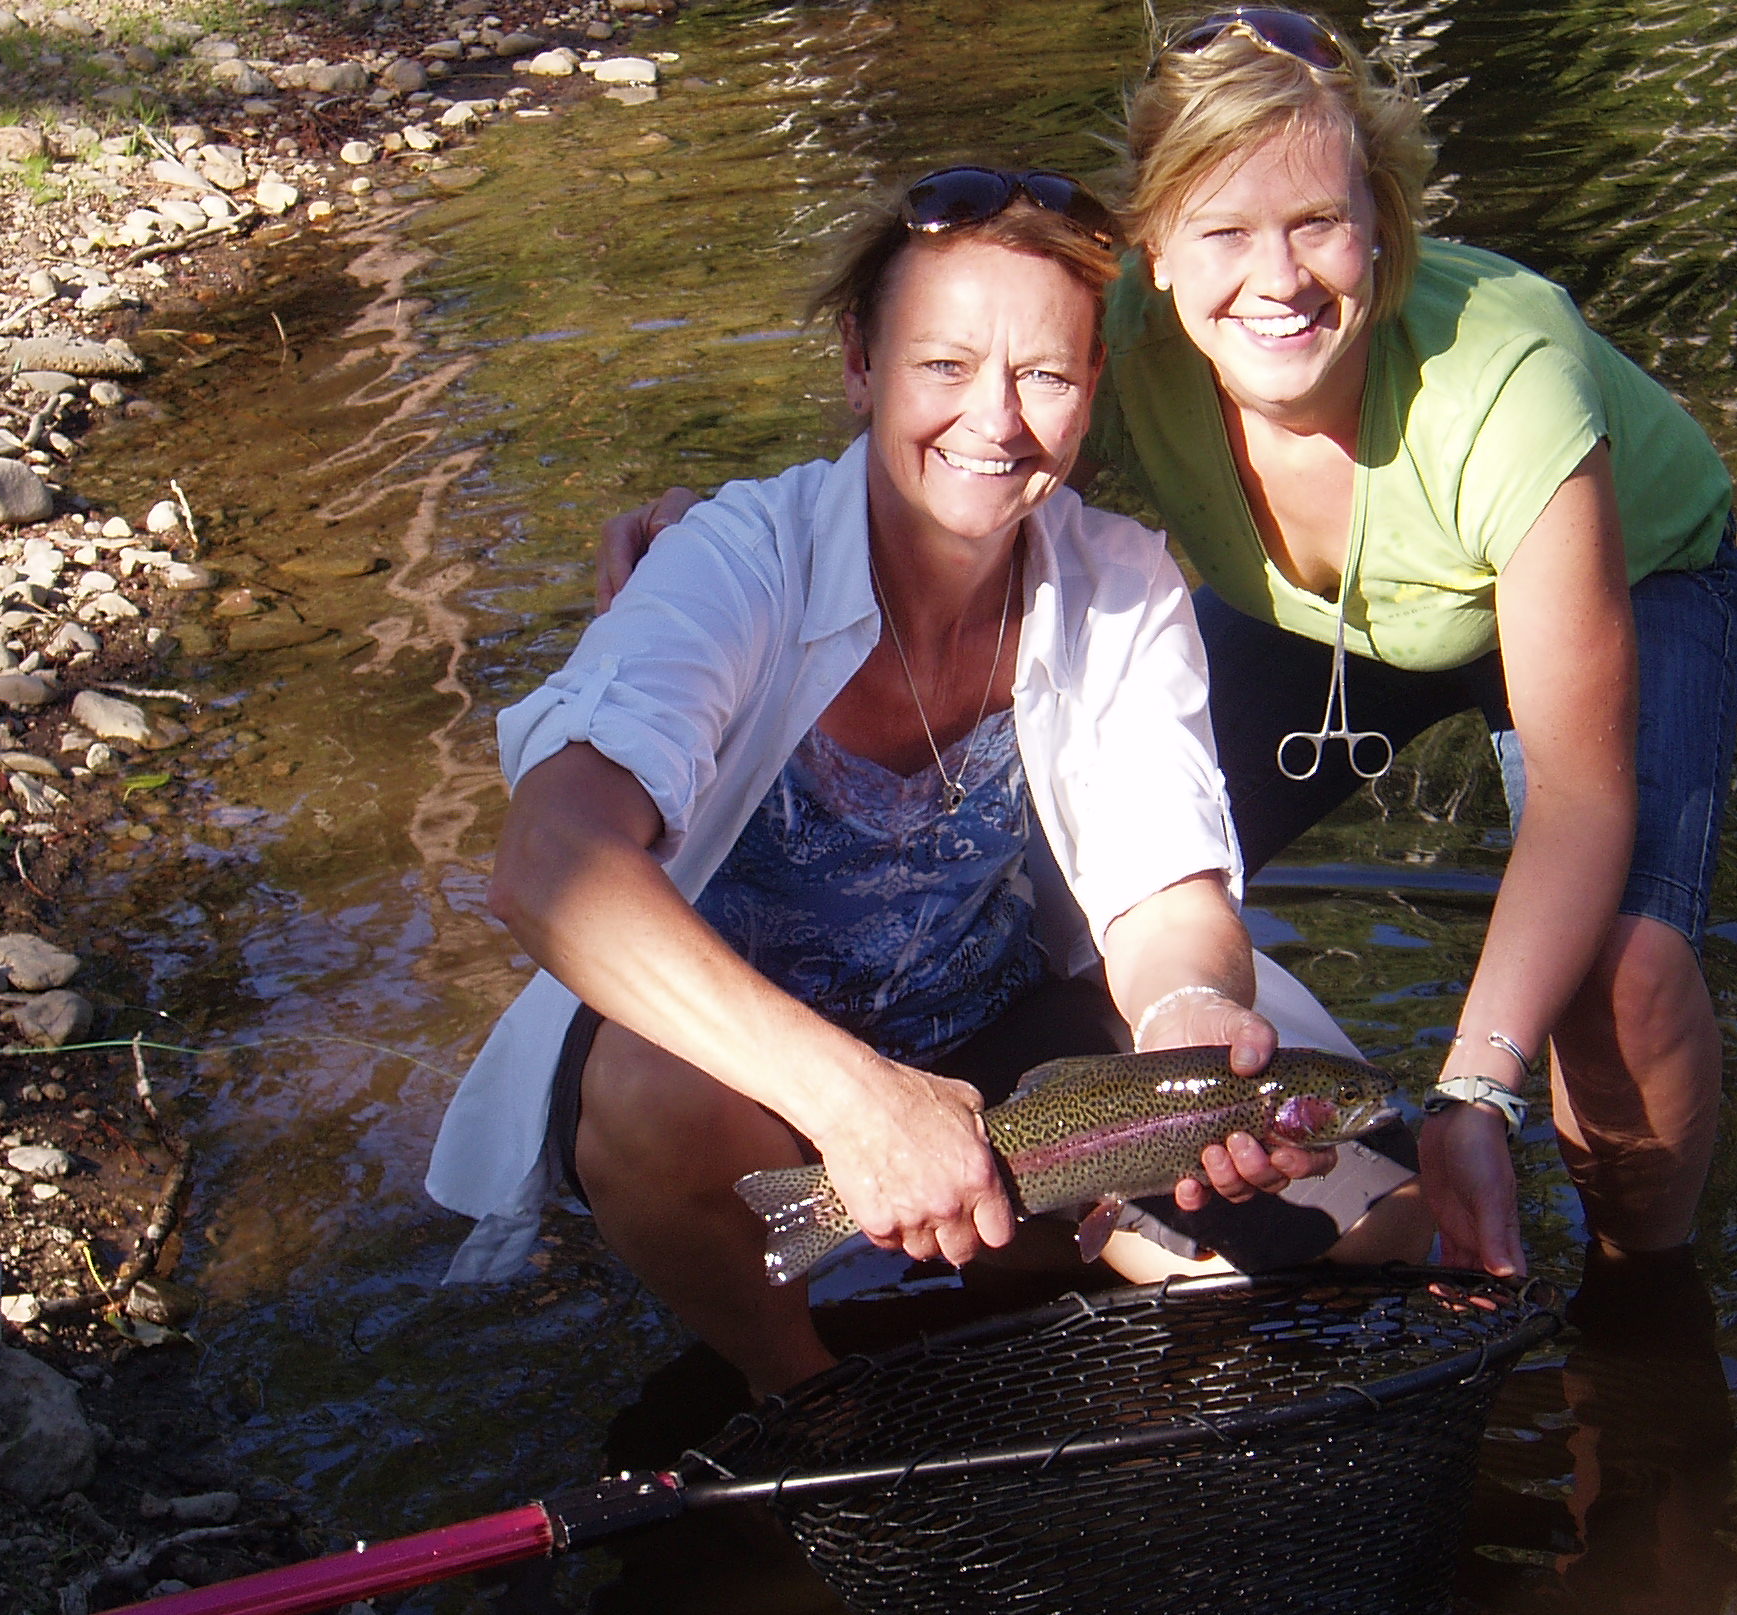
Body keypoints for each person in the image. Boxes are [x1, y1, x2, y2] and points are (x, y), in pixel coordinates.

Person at [600, 10, 1737, 1283]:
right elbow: (950, 415)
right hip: (1324, 619)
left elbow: (1584, 796)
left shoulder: (1510, 370)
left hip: (1628, 578)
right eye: (1223, 233)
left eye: (1320, 222)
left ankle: (1640, 1295)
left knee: (1622, 973)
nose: (1277, 281)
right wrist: (708, 533)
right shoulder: (1122, 339)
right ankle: (1053, 1181)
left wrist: (1477, 1091)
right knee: (1080, 891)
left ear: (1383, 220)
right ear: (1155, 251)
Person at [428, 168, 1426, 1398]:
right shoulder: (733, 565)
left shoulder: (1122, 582)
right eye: (943, 367)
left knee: (1395, 1242)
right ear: (859, 361)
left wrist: (1189, 1027)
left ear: (1092, 391)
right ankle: (803, 1392)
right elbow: (545, 869)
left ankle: (1047, 1240)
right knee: (642, 1092)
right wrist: (860, 1105)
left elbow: (1164, 894)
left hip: (1000, 1035)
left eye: (1045, 376)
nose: (994, 422)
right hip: (750, 1075)